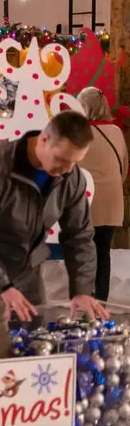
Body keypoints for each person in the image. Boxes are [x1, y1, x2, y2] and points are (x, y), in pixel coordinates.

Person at [0, 111, 107, 321]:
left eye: (74, 162)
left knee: (30, 340)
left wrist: (82, 289)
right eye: (61, 159)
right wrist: (1, 285)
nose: (67, 169)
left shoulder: (71, 177)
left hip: (25, 272)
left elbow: (80, 236)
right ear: (43, 139)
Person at [77, 87, 128, 301]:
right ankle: (102, 300)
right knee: (103, 253)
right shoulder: (116, 132)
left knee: (83, 253)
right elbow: (123, 169)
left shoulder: (79, 134)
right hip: (112, 203)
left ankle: (85, 298)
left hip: (85, 205)